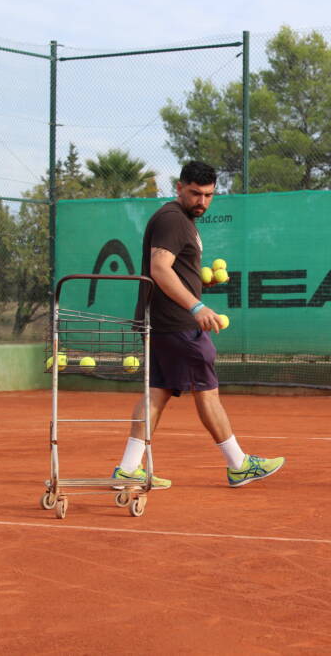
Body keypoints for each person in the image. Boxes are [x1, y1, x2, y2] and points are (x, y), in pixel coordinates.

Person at [112, 161, 285, 488]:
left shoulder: (177, 220)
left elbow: (171, 273)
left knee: (156, 394)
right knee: (207, 393)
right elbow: (159, 268)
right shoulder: (173, 220)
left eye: (208, 195)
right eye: (195, 193)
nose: (202, 202)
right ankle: (238, 464)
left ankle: (128, 469)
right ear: (179, 188)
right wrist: (196, 305)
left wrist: (199, 287)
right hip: (178, 325)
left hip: (163, 323)